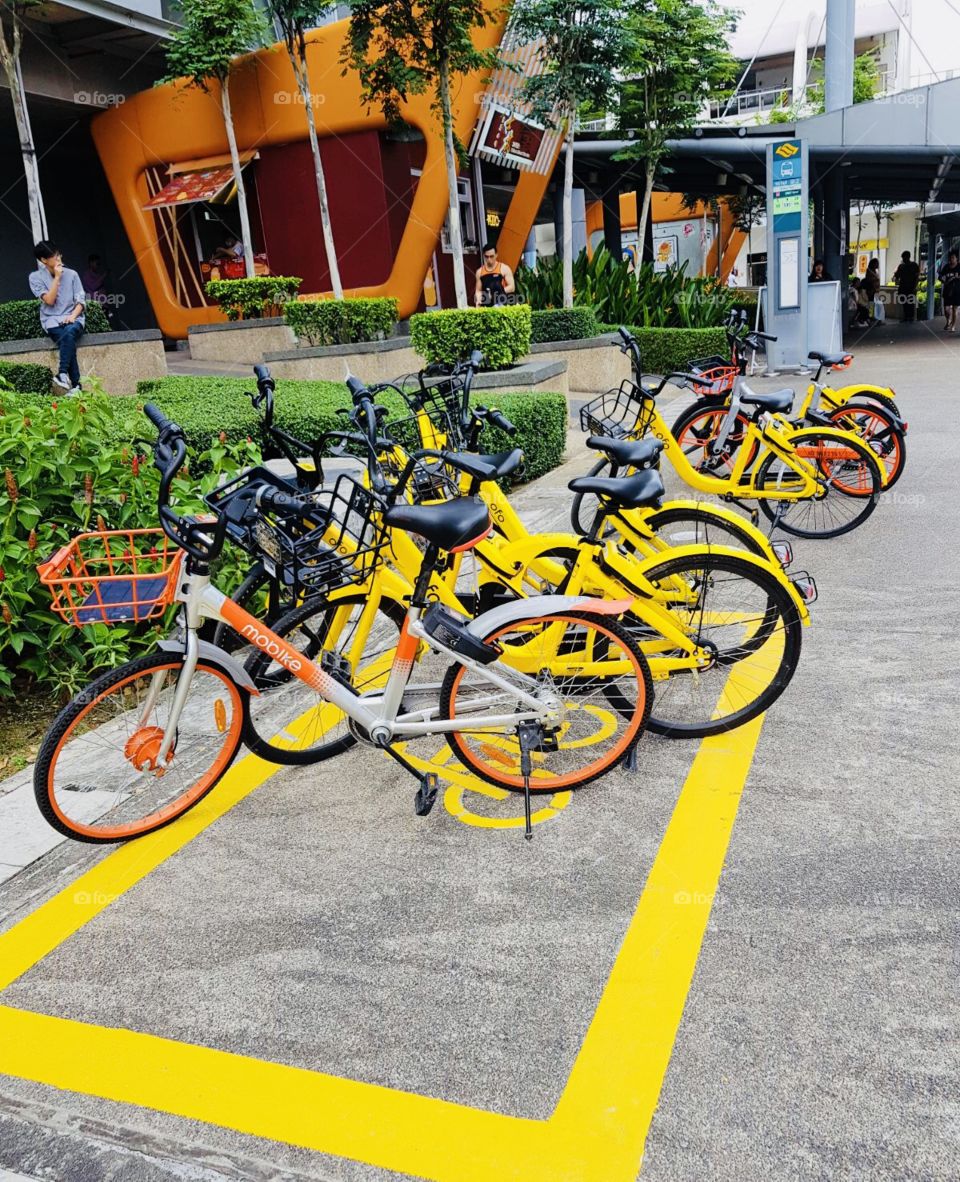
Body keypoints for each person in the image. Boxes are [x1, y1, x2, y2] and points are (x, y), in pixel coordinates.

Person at [28, 241, 86, 394]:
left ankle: (62, 374)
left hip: (74, 319)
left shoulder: (73, 274)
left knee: (69, 333)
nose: (58, 258)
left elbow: (81, 301)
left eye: (58, 254)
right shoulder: (35, 278)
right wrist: (57, 277)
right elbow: (49, 300)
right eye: (54, 256)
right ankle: (76, 386)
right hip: (51, 320)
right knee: (68, 338)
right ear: (44, 260)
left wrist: (73, 316)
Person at [474, 242, 515, 306]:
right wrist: (478, 300)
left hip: (502, 304)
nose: (489, 259)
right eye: (486, 257)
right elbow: (478, 290)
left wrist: (495, 294)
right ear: (483, 256)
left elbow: (512, 287)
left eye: (491, 256)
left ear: (496, 255)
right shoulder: (479, 272)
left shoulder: (504, 268)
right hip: (487, 305)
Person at [893, 250, 920, 322]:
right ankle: (907, 317)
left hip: (909, 287)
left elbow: (917, 277)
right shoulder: (904, 266)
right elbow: (896, 276)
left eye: (904, 258)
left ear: (908, 257)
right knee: (906, 303)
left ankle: (909, 317)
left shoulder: (912, 265)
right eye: (903, 258)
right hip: (904, 287)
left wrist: (915, 287)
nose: (903, 259)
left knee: (909, 303)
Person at [938, 249, 960, 332]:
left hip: (957, 291)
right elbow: (940, 276)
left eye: (953, 258)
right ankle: (948, 321)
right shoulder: (946, 267)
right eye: (950, 258)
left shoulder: (959, 266)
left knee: (955, 309)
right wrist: (944, 281)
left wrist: (958, 277)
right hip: (947, 290)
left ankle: (953, 326)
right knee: (946, 309)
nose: (951, 259)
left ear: (957, 258)